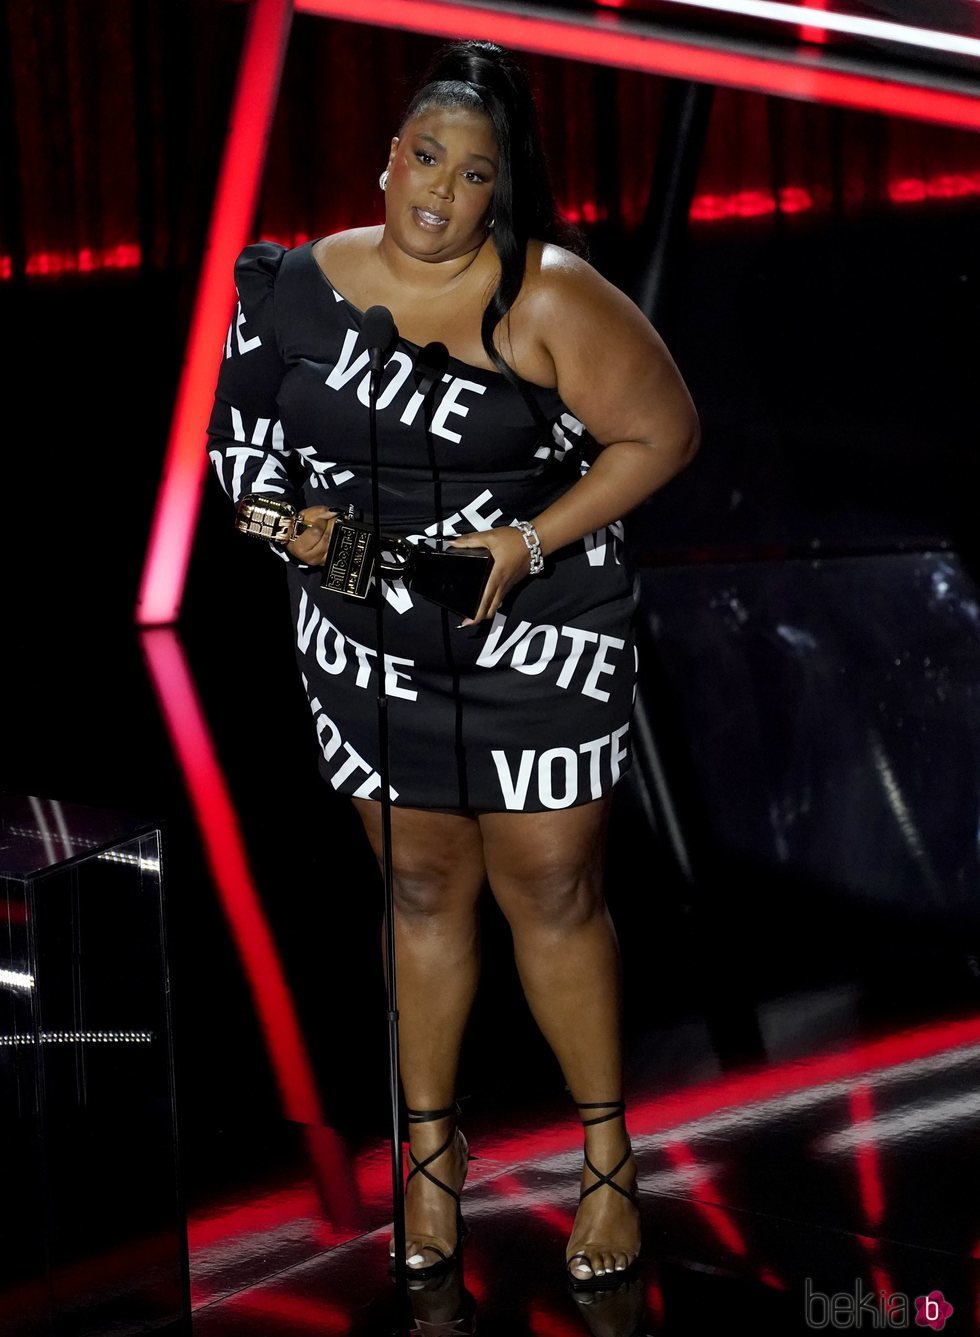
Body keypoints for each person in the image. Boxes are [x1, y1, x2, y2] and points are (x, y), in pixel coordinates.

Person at [206, 39, 699, 1289]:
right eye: (424, 157)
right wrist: (285, 518)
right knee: (419, 885)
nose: (439, 188)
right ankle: (430, 1158)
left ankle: (605, 1161)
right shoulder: (291, 287)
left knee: (550, 888)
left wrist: (529, 536)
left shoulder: (546, 294)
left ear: (500, 192)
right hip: (367, 636)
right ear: (386, 161)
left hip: (533, 627)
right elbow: (242, 444)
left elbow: (662, 431)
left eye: (472, 174)